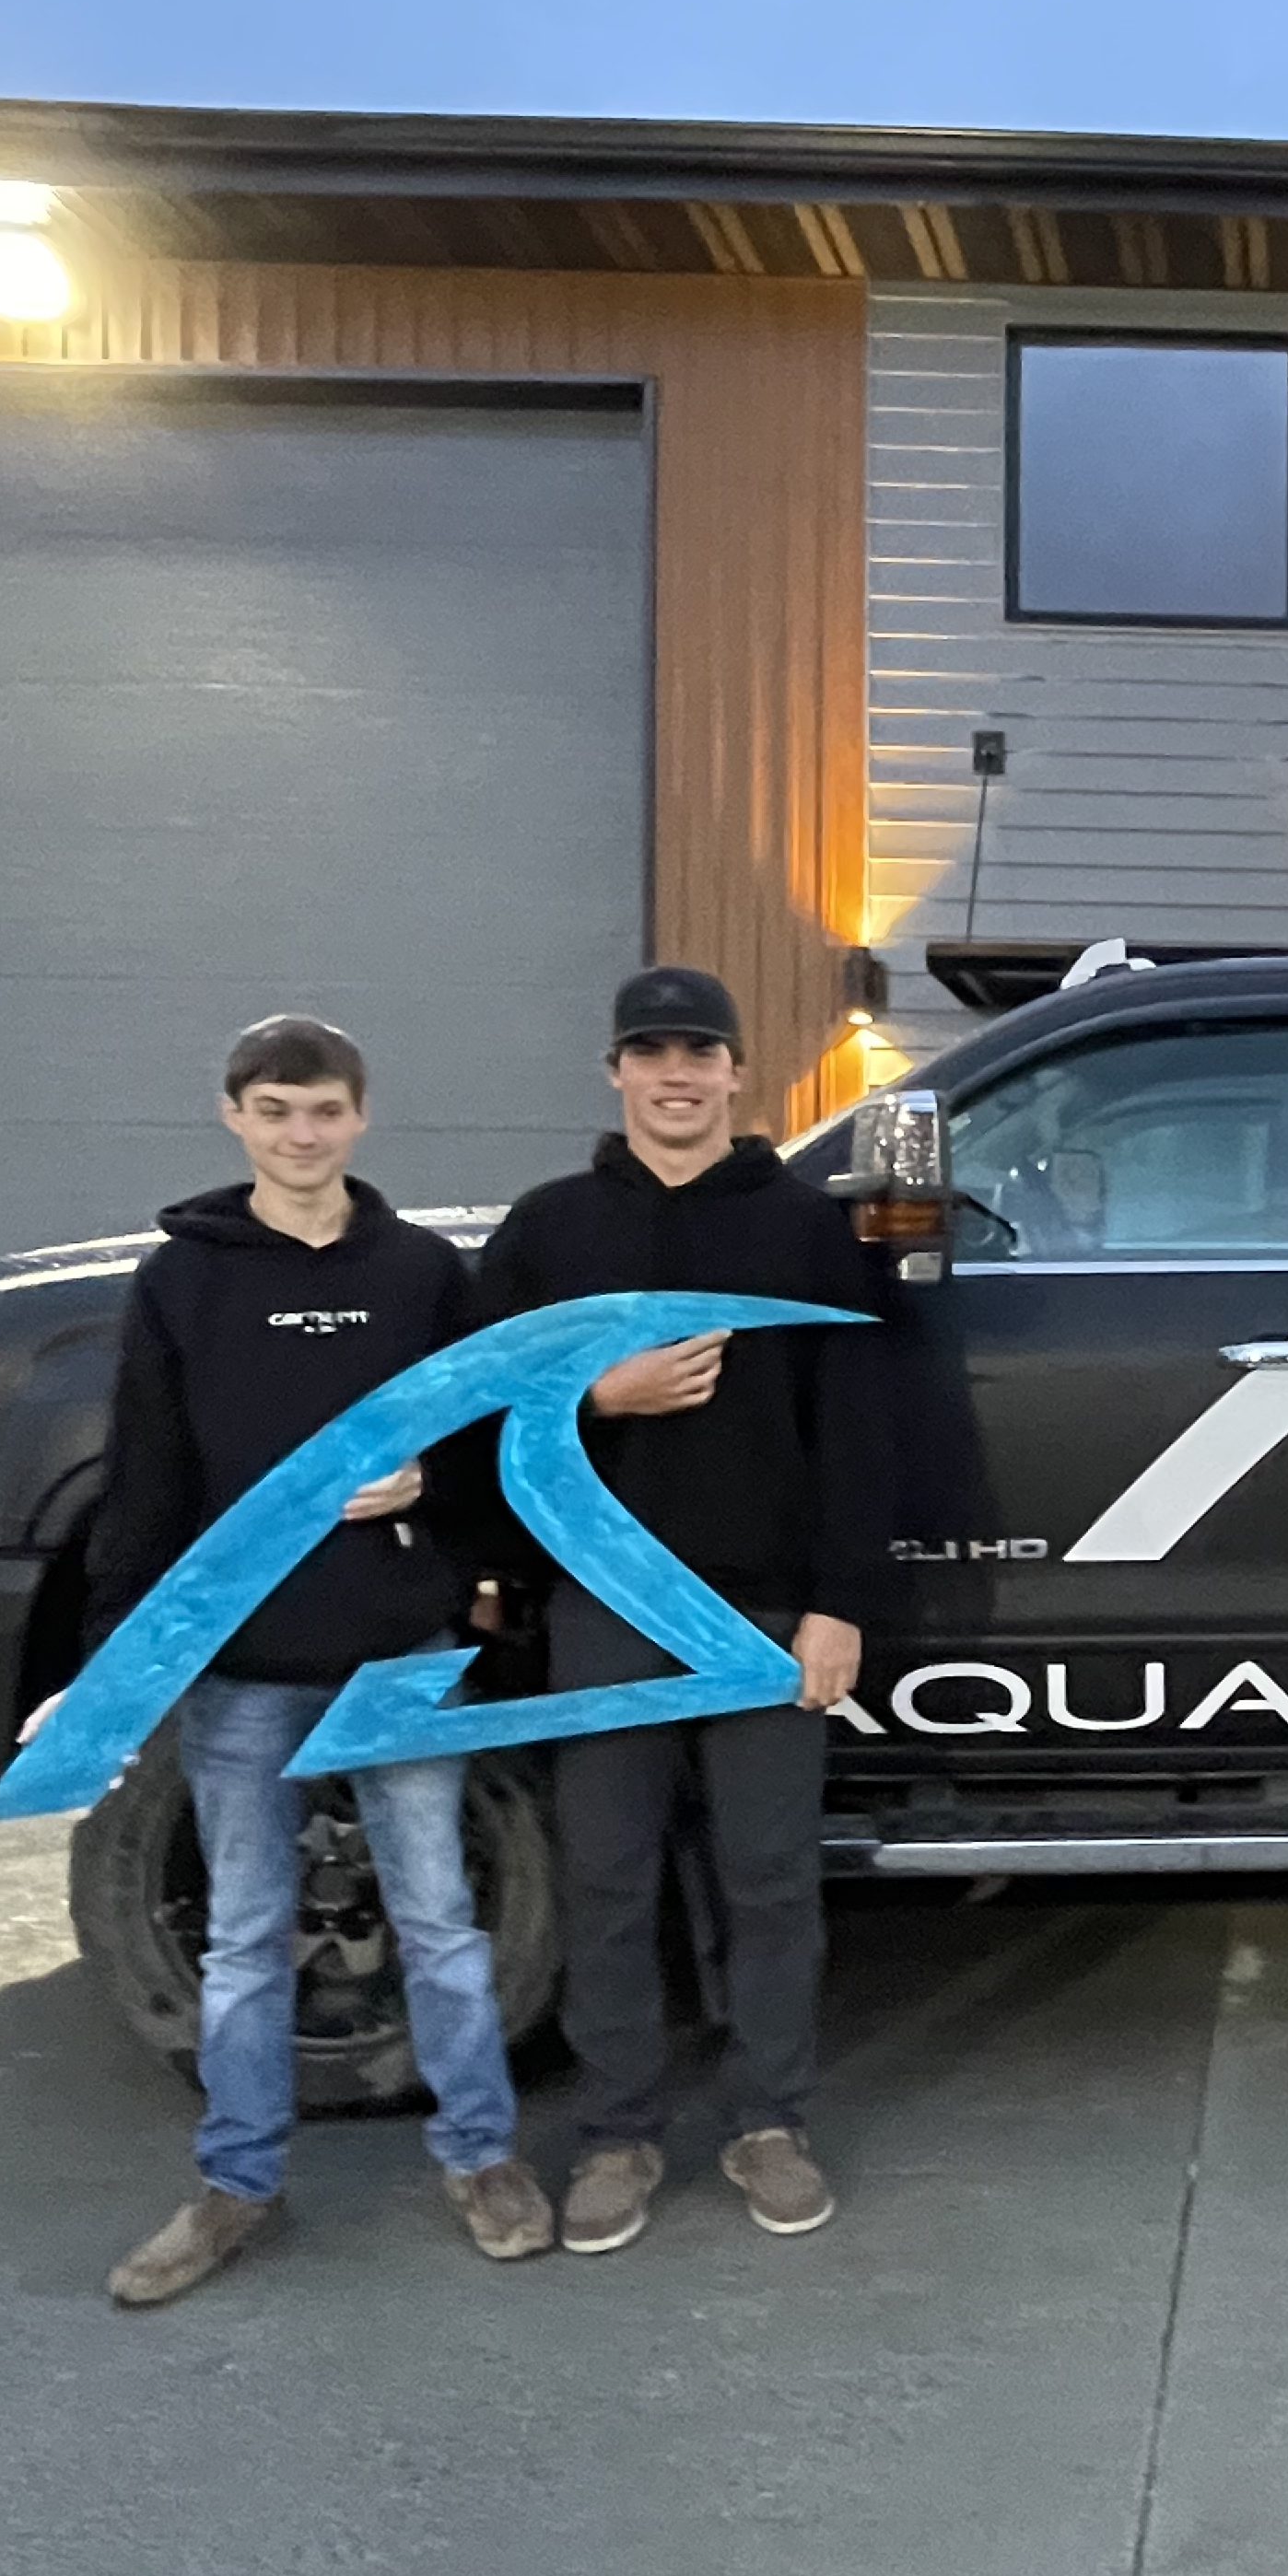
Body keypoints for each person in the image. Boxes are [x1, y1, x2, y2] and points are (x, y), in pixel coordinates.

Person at [70, 1015, 553, 2307]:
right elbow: (146, 1476)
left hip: (398, 1653)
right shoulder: (183, 1281)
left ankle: (481, 2157)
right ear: (235, 1116)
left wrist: (431, 1493)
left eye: (324, 1110)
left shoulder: (419, 1274)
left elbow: (490, 1440)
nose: (302, 1133)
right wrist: (124, 1658)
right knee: (242, 1940)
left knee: (444, 1925)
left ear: (360, 1117)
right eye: (276, 1110)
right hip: (247, 1665)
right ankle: (236, 2185)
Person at [474, 965, 882, 2256]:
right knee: (606, 1878)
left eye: (699, 1052)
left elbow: (860, 1437)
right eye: (651, 1053)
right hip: (603, 1608)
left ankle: (769, 2120)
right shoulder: (547, 1232)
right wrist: (598, 1398)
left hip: (762, 1613)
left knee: (768, 1879)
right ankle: (618, 2136)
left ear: (736, 1074)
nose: (676, 1075)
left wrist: (839, 1606)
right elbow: (480, 1413)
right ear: (615, 1072)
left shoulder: (810, 1231)